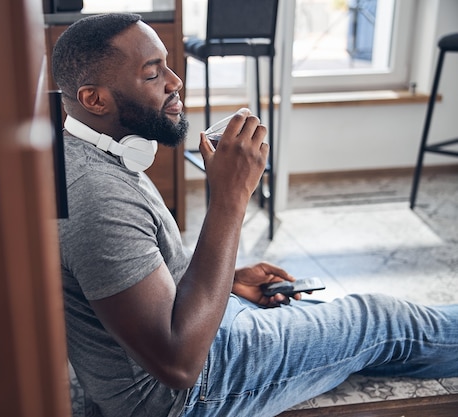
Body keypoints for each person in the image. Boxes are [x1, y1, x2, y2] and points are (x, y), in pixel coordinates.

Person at [53, 13, 458, 417]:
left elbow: (136, 288)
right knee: (381, 321)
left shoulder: (96, 153)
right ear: (95, 99)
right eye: (152, 74)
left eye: (168, 65)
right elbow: (178, 364)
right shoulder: (98, 199)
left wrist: (224, 283)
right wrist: (231, 198)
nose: (175, 82)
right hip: (186, 394)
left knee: (336, 321)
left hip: (192, 338)